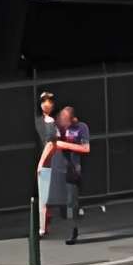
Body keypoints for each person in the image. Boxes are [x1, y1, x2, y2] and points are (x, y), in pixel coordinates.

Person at [52, 102, 92, 243]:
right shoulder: (58, 128)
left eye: (65, 119)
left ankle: (72, 231)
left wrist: (67, 145)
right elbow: (55, 144)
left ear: (72, 119)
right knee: (60, 204)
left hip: (73, 169)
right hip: (58, 168)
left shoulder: (81, 127)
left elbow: (86, 148)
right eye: (61, 118)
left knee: (71, 202)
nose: (62, 121)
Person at [34, 92, 65, 241]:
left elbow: (52, 144)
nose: (47, 104)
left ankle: (43, 225)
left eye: (49, 102)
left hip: (52, 162)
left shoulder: (54, 122)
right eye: (44, 101)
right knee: (44, 197)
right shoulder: (39, 121)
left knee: (47, 196)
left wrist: (41, 162)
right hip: (46, 163)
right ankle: (43, 225)